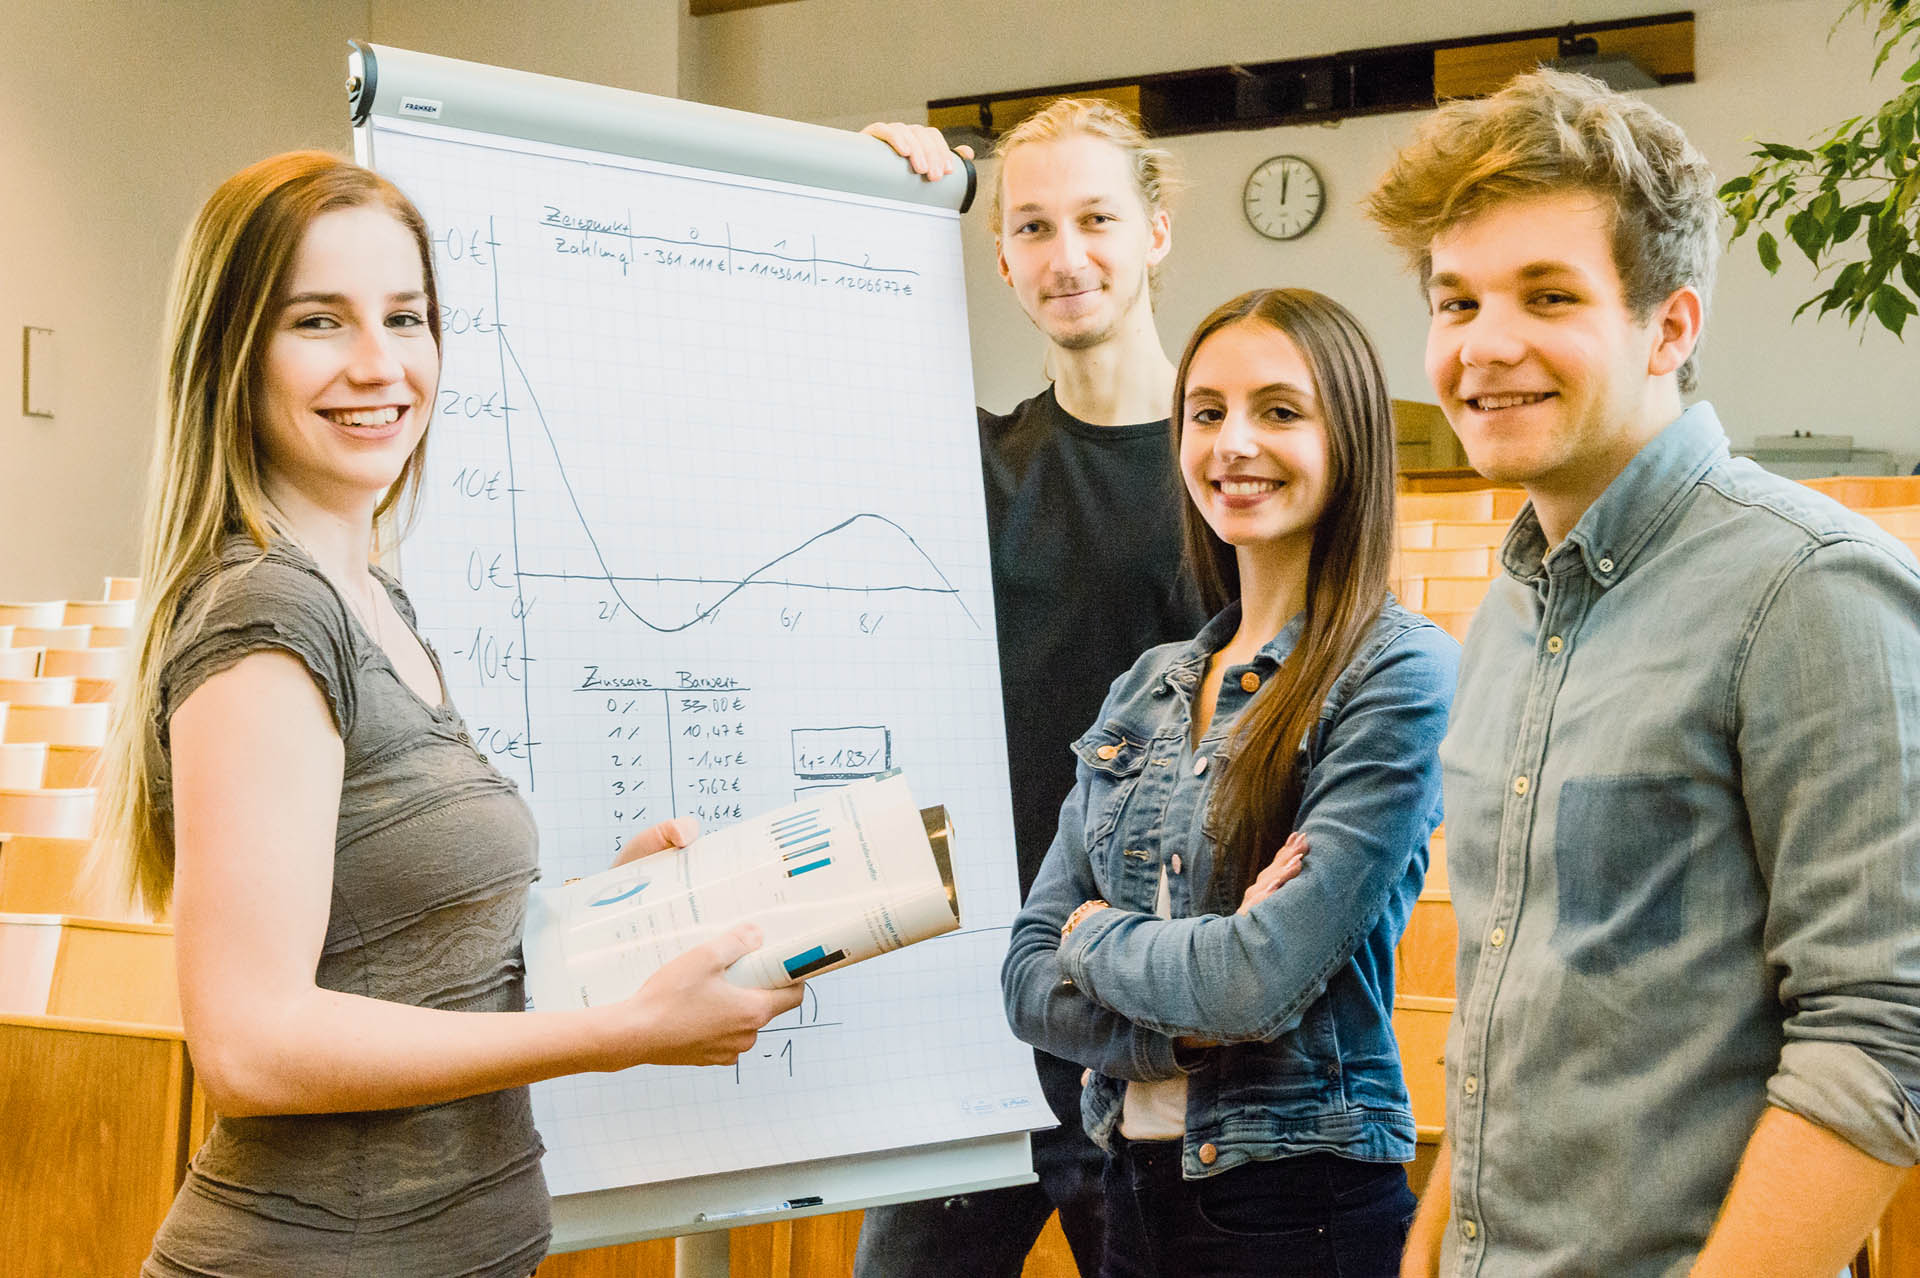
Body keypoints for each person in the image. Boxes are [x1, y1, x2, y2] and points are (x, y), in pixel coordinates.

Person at [98, 151, 801, 1277]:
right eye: (320, 321)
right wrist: (613, 1037)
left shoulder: (372, 595)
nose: (380, 365)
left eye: (407, 317)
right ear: (234, 352)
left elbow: (402, 960)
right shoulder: (269, 612)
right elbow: (252, 1046)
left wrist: (607, 921)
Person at [1365, 69, 1920, 1277]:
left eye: (1547, 295)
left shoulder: (1811, 588)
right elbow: (1506, 1008)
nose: (1483, 345)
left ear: (1671, 325)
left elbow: (1883, 1038)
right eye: (1455, 301)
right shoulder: (1509, 609)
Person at [1003, 287, 1459, 1278]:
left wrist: (1095, 936)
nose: (1232, 443)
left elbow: (1258, 976)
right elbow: (1025, 975)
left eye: (1280, 411)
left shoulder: (1397, 671)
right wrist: (1191, 1034)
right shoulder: (1150, 683)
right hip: (1128, 1191)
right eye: (1206, 412)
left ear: (1351, 440)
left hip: (1302, 1206)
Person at [854, 102, 1211, 1276]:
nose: (1068, 257)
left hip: (1155, 1016)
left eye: (1098, 219)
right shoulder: (969, 461)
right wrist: (875, 195)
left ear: (1155, 230)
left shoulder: (1231, 467)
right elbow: (813, 359)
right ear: (1000, 257)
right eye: (1032, 227)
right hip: (976, 1013)